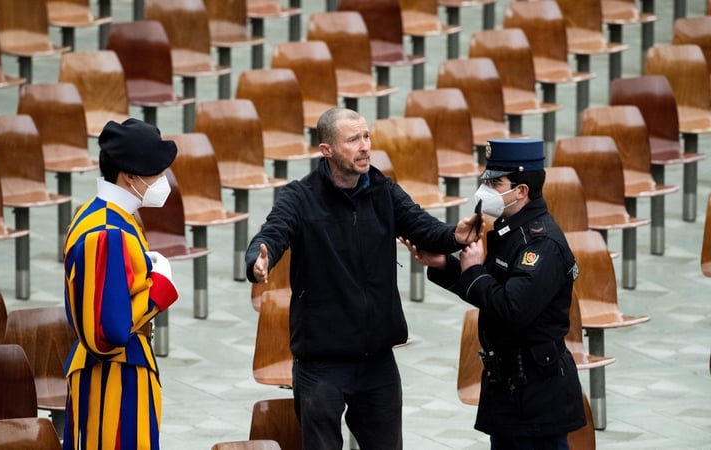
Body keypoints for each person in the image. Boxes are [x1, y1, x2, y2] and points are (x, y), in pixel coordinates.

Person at [245, 107, 480, 450]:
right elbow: (272, 233)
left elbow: (423, 228)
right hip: (321, 361)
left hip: (377, 359)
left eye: (366, 136)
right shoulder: (300, 197)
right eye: (353, 140)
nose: (365, 146)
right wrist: (257, 260)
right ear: (326, 150)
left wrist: (454, 236)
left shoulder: (383, 191)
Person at [403, 138, 585, 449]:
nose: (485, 189)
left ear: (521, 190)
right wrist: (446, 264)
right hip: (509, 386)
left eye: (494, 182)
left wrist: (473, 271)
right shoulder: (509, 229)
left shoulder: (541, 244)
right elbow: (492, 288)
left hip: (536, 393)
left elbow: (512, 308)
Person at [62, 118, 180, 450]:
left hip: (113, 372)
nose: (162, 180)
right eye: (155, 172)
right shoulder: (108, 232)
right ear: (129, 175)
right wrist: (159, 289)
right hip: (115, 376)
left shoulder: (96, 214)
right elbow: (108, 334)